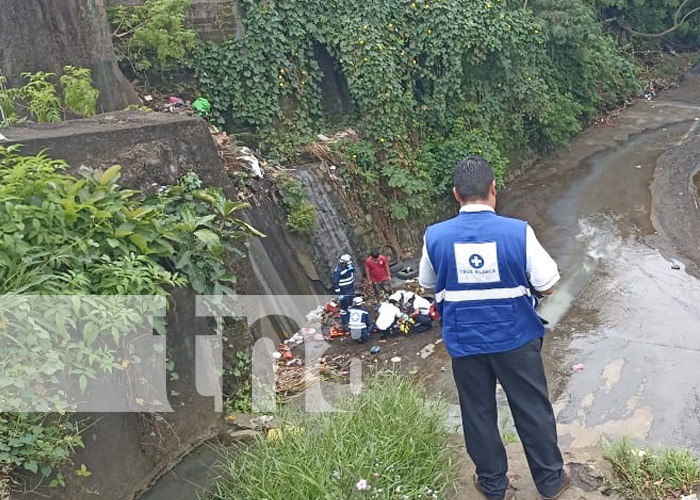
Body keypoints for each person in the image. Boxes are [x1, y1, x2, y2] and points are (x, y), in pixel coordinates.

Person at [418, 156, 569, 500]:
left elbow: (428, 283)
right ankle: (550, 481)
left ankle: (493, 485)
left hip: (465, 341)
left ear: (456, 194)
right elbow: (548, 284)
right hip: (516, 338)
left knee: (478, 412)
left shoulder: (435, 236)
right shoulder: (519, 232)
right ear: (493, 189)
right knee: (531, 409)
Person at [333, 254, 356, 327]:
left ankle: (350, 319)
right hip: (344, 291)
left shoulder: (349, 266)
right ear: (343, 263)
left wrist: (351, 269)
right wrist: (339, 294)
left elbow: (353, 271)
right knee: (344, 307)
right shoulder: (338, 270)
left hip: (351, 289)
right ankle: (345, 323)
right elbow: (335, 283)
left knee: (350, 305)